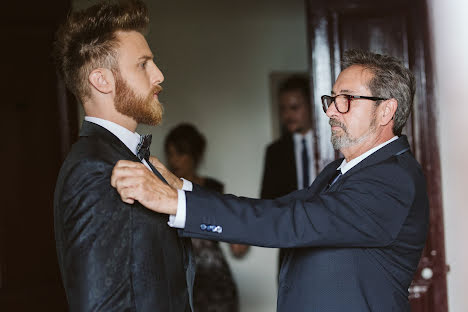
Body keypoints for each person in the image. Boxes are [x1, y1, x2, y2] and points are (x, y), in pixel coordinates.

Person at [111, 49, 429, 311]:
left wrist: (179, 205)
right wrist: (186, 190)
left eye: (346, 99)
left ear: (387, 111)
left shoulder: (393, 177)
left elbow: (291, 220)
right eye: (331, 99)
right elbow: (275, 207)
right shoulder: (337, 171)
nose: (332, 111)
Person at [53, 1, 194, 311]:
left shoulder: (127, 160)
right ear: (102, 80)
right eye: (143, 64)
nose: (159, 75)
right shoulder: (92, 170)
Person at [164, 123, 248, 312]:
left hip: (216, 282)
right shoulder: (163, 192)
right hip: (180, 281)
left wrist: (244, 233)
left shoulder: (212, 188)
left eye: (180, 153)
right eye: (170, 153)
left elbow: (237, 243)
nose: (174, 160)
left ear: (194, 155)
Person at [260, 75, 316, 275]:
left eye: (294, 108)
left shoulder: (330, 147)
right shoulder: (275, 152)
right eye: (283, 109)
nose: (288, 115)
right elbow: (267, 201)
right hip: (290, 246)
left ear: (311, 105)